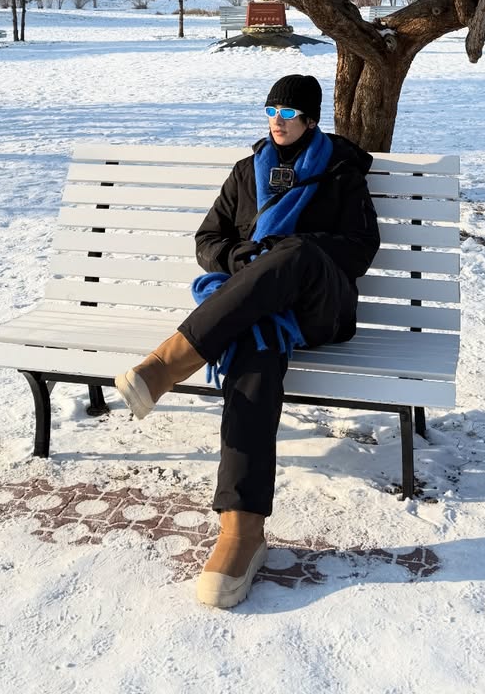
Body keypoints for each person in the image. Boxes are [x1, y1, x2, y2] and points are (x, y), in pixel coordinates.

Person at [114, 73, 380, 609]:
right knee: (253, 352)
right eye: (270, 110)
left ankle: (168, 364)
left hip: (319, 307)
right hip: (253, 311)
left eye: (288, 112)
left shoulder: (340, 171)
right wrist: (241, 259)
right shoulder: (246, 172)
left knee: (296, 254)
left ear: (310, 119)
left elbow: (358, 249)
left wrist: (285, 249)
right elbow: (209, 240)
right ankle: (242, 532)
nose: (277, 120)